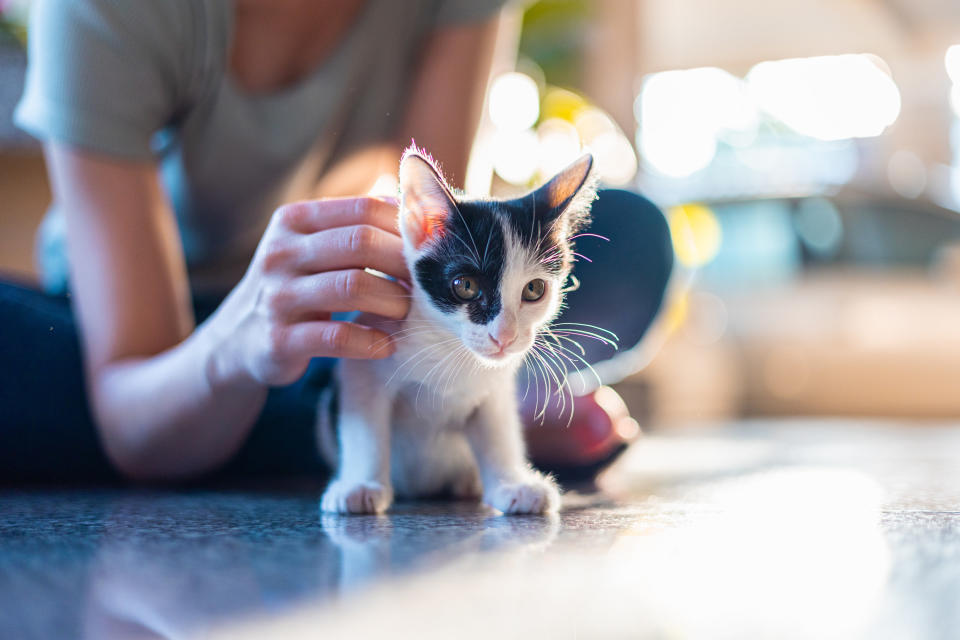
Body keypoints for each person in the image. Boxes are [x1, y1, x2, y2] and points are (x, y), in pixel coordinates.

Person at [0, 0, 673, 483]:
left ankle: (354, 428)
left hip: (358, 319)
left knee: (631, 240)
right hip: (147, 341)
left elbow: (442, 233)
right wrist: (234, 349)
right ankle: (426, 435)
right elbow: (129, 402)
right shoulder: (94, 10)